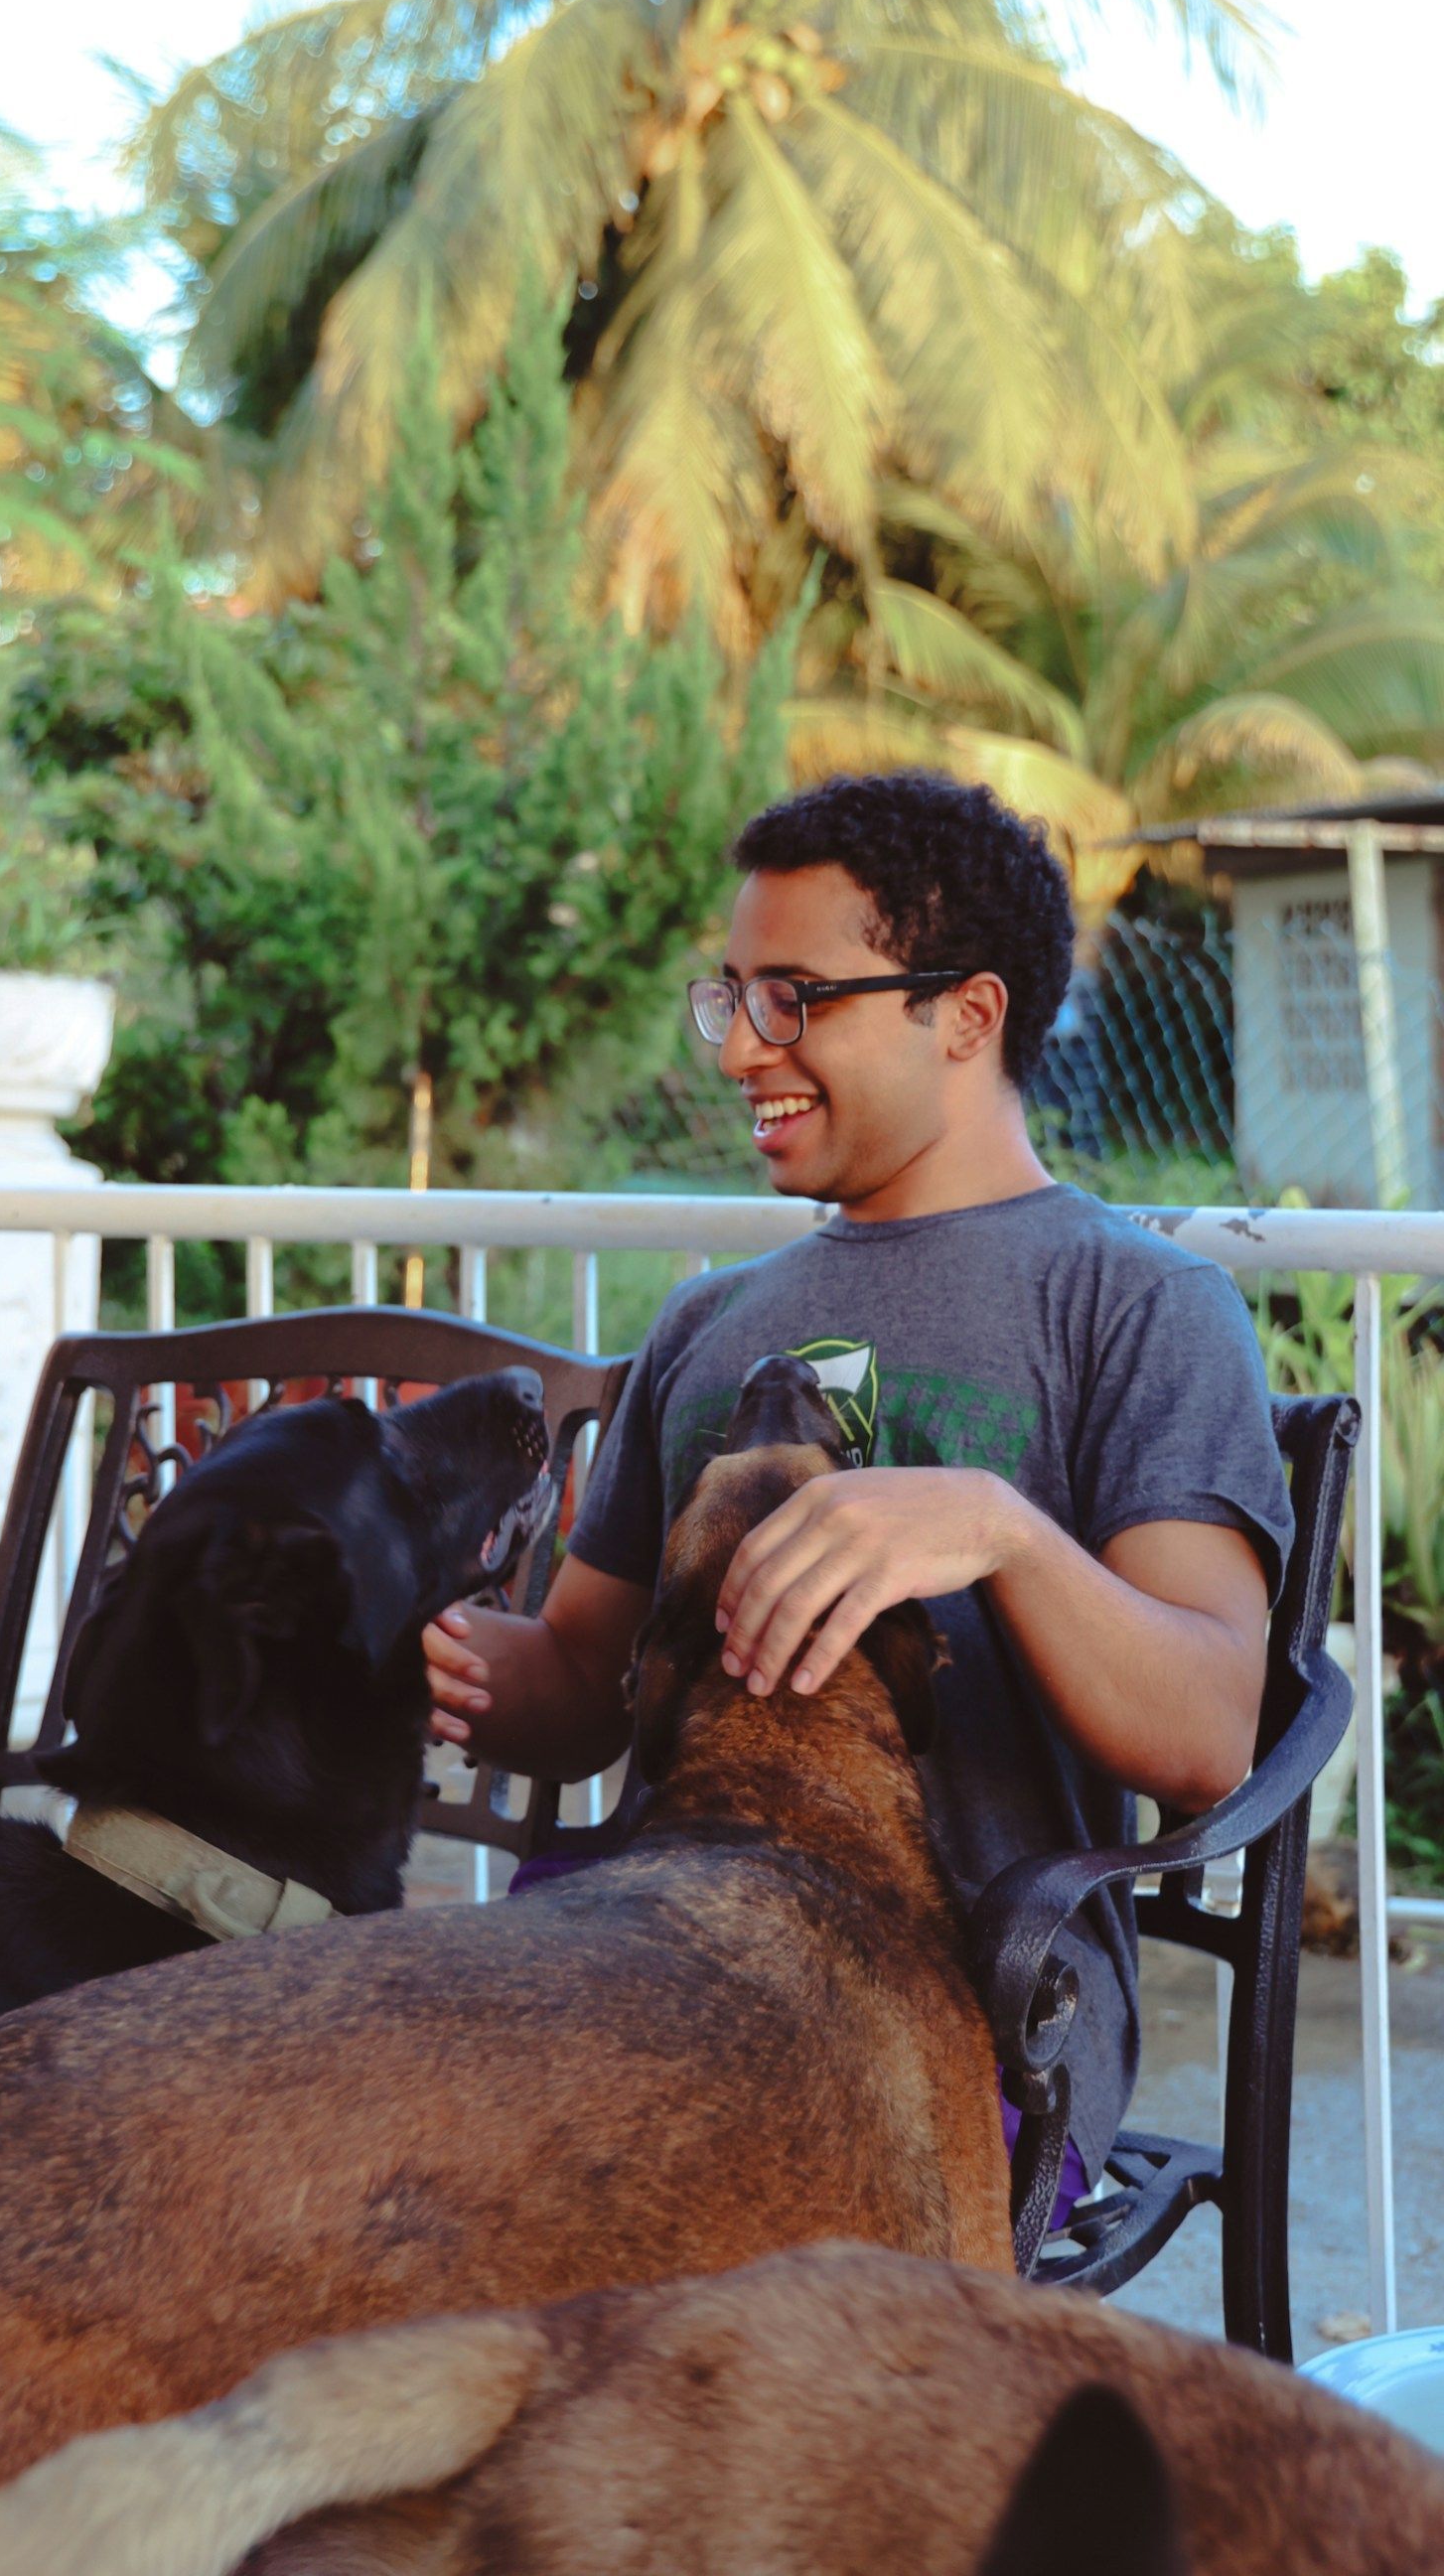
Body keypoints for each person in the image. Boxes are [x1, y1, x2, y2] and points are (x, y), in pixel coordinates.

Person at [425, 771, 1292, 2207]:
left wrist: (995, 1532)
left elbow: (1211, 1733)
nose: (739, 1050)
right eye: (734, 999)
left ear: (965, 1014)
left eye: (797, 998)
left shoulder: (1135, 1307)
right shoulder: (710, 1321)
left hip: (963, 2013)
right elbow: (581, 1687)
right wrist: (436, 1648)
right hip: (648, 1953)